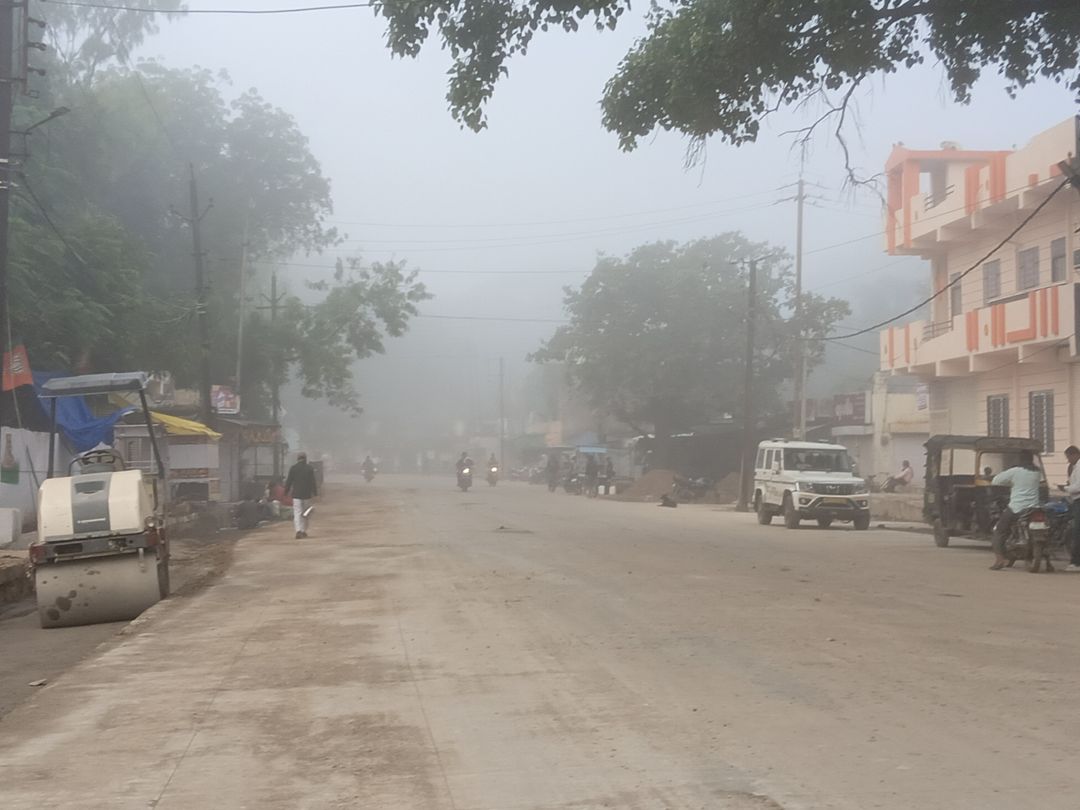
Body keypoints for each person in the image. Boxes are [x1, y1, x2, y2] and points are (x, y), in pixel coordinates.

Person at [989, 451, 1043, 570]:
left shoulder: (1015, 471)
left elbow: (996, 480)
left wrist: (1010, 481)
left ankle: (1000, 560)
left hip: (1016, 507)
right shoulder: (1037, 472)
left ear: (1020, 460)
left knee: (999, 531)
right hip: (1034, 508)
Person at [284, 451, 318, 539]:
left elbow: (289, 481)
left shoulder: (293, 468)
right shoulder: (309, 468)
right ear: (305, 459)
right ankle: (303, 531)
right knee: (305, 513)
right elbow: (312, 482)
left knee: (297, 513)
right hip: (306, 494)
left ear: (297, 459)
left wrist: (286, 492)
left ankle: (298, 531)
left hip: (296, 495)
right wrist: (315, 493)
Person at [1059, 445, 1080, 572]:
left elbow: (1078, 486)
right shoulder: (1074, 467)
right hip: (1075, 500)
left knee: (1077, 532)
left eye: (1069, 457)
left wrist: (1066, 488)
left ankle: (1076, 562)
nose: (1068, 460)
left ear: (1075, 454)